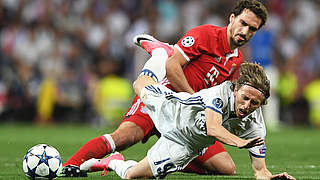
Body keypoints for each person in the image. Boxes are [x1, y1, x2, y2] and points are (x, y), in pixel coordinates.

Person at [60, 0, 269, 176]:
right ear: (232, 18)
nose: (245, 31)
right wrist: (194, 100)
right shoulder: (206, 35)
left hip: (188, 119)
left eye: (252, 29)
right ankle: (68, 166)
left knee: (226, 168)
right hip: (164, 101)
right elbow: (172, 68)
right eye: (243, 23)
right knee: (124, 138)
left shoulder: (236, 59)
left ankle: (160, 160)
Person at [80, 60, 295, 180]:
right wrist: (239, 142)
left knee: (133, 176)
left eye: (254, 103)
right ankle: (159, 52)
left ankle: (113, 161)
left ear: (262, 105)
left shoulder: (256, 127)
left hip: (185, 144)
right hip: (173, 109)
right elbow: (213, 128)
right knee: (139, 84)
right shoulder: (221, 93)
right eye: (245, 98)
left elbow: (260, 171)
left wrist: (272, 178)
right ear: (235, 89)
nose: (247, 105)